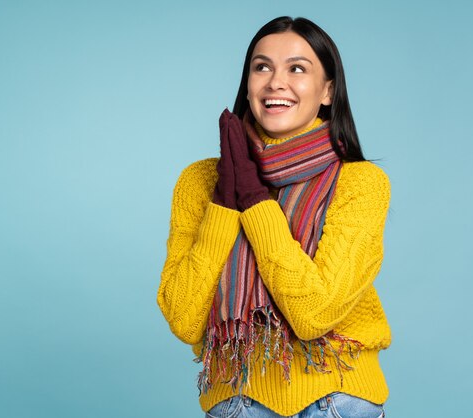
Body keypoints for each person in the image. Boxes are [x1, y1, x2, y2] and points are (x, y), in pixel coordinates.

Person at [157, 16, 391, 418]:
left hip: (337, 399)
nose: (275, 82)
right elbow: (183, 319)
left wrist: (253, 200)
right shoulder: (200, 182)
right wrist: (224, 205)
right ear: (248, 85)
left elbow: (313, 314)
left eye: (297, 68)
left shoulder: (360, 182)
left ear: (328, 91)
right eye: (262, 66)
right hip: (237, 403)